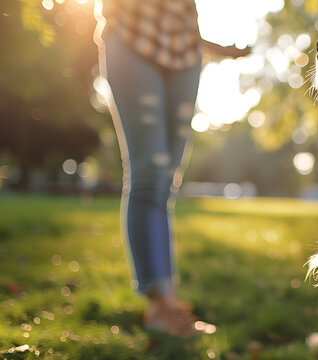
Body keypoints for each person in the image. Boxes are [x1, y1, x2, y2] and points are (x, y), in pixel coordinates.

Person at [93, 0, 249, 336]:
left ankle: (169, 300)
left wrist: (219, 49)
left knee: (165, 185)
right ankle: (158, 304)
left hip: (185, 53)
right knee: (148, 175)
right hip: (132, 33)